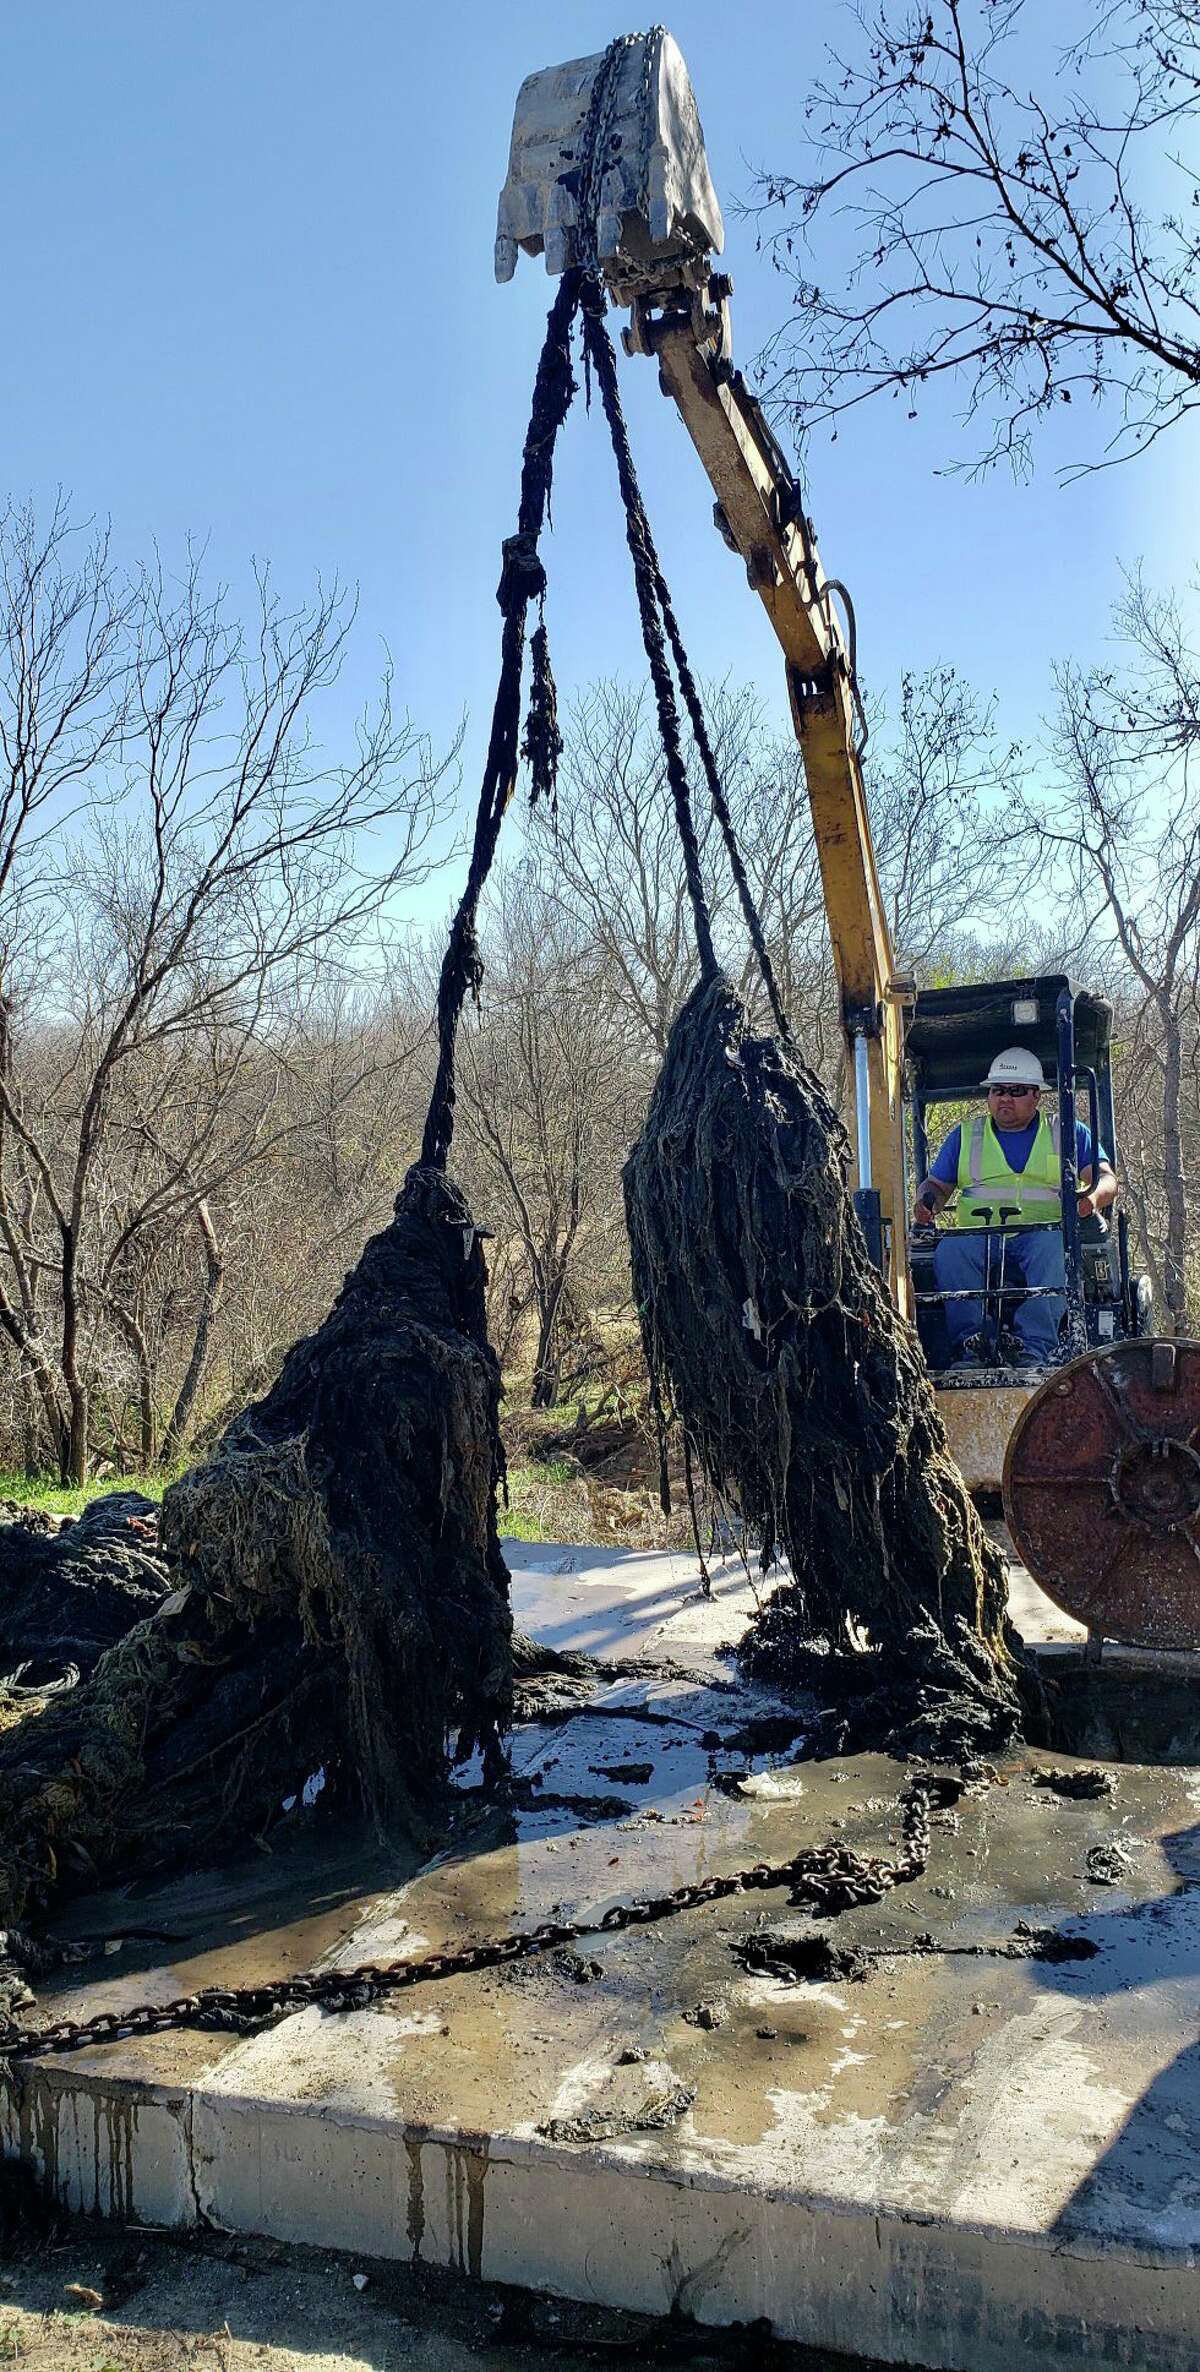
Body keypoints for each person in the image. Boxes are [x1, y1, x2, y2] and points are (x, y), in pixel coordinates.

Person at [913, 1046, 1118, 1368]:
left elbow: (1105, 1178)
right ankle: (970, 1346)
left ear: (1036, 1095)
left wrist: (1090, 1199)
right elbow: (936, 1186)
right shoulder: (966, 1135)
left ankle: (1034, 1348)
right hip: (978, 1236)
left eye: (1016, 1091)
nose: (1004, 1098)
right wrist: (928, 1202)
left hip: (1042, 1233)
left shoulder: (1065, 1132)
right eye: (997, 1091)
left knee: (1057, 1249)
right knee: (950, 1250)